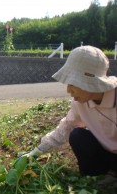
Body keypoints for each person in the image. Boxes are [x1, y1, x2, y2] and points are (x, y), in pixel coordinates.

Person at [23, 46, 117, 186]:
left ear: (90, 83)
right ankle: (98, 177)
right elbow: (66, 127)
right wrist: (35, 153)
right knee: (78, 136)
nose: (68, 90)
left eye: (73, 84)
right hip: (107, 153)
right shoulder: (79, 103)